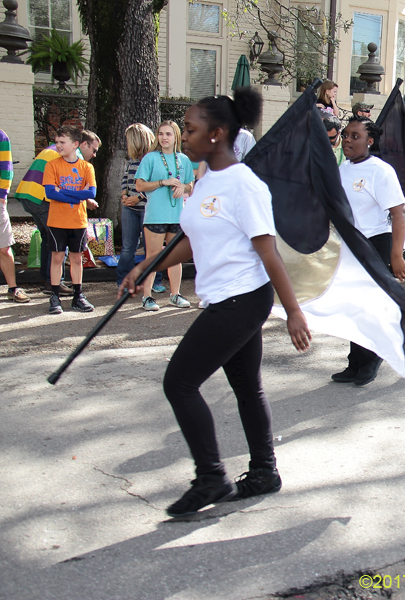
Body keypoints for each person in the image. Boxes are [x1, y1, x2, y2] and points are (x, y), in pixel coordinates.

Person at [119, 87, 312, 518]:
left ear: (217, 134)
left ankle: (211, 477)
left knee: (179, 383)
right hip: (227, 296)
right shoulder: (206, 178)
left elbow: (269, 252)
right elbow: (191, 241)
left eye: (190, 129)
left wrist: (293, 311)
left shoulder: (244, 185)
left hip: (242, 299)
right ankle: (264, 472)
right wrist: (146, 266)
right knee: (247, 387)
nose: (183, 137)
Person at [331, 117, 405, 386]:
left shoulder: (380, 171)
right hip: (349, 245)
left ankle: (372, 357)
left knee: (367, 304)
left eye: (355, 136)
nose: (348, 140)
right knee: (353, 305)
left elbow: (398, 212)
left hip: (375, 242)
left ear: (370, 141)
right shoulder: (342, 169)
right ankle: (355, 362)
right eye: (346, 135)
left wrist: (396, 255)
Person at [13, 129, 99, 295]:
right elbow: (73, 188)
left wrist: (75, 195)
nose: (94, 154)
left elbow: (73, 189)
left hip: (27, 194)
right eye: (93, 150)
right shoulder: (73, 156)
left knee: (48, 238)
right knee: (59, 240)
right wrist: (82, 199)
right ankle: (54, 283)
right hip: (40, 198)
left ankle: (47, 280)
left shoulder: (54, 149)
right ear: (82, 144)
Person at [135, 121, 196, 310]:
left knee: (175, 257)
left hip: (177, 215)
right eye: (161, 134)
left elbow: (191, 186)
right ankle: (147, 296)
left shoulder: (183, 159)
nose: (164, 137)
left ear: (175, 136)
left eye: (168, 134)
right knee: (153, 256)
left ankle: (175, 294)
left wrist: (181, 187)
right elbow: (139, 185)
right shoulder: (150, 158)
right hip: (155, 216)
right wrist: (162, 182)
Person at [41, 125, 99, 314]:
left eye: (62, 142)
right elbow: (50, 193)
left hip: (78, 220)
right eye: (56, 142)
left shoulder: (86, 167)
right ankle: (55, 296)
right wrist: (77, 195)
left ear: (75, 144)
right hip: (57, 220)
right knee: (57, 257)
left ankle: (78, 296)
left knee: (76, 258)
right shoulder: (52, 165)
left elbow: (91, 192)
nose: (58, 145)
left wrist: (63, 191)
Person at [117, 123, 157, 287]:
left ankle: (155, 281)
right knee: (128, 247)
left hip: (147, 209)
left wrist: (138, 198)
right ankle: (124, 280)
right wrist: (124, 196)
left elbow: (155, 184)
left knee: (151, 248)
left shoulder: (153, 160)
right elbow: (125, 179)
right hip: (130, 209)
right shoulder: (131, 160)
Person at [0, 129, 29, 302]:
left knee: (3, 247)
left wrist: (3, 195)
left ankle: (13, 288)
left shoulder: (1, 136)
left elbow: (6, 166)